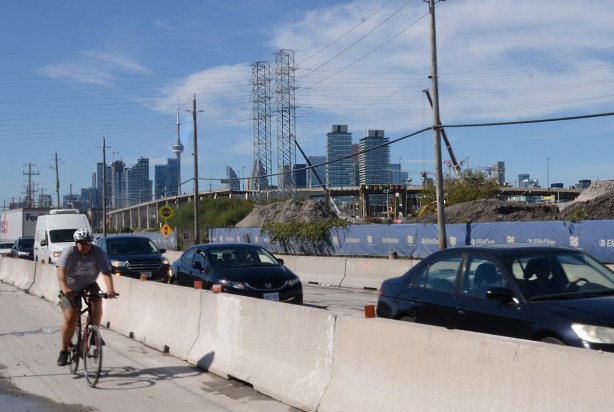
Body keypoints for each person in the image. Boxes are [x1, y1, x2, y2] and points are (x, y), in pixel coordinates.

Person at [56, 228, 117, 367]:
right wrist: (65, 288)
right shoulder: (69, 253)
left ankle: (94, 333)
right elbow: (61, 271)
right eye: (81, 243)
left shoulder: (98, 253)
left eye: (87, 243)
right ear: (75, 243)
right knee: (71, 317)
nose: (84, 246)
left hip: (89, 284)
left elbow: (106, 272)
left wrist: (111, 289)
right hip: (70, 287)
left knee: (97, 300)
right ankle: (64, 351)